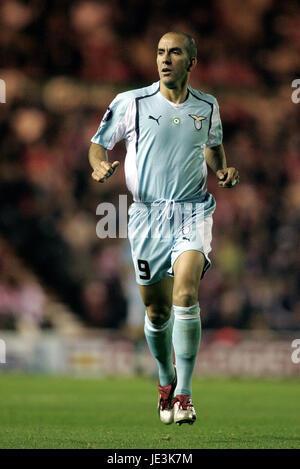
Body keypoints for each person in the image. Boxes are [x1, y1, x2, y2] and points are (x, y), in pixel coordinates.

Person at [88, 31, 239, 426]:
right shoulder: (131, 101)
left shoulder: (207, 105)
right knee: (156, 311)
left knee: (185, 294)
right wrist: (98, 164)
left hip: (193, 211)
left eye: (174, 52)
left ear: (192, 61)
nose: (165, 58)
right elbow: (98, 143)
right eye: (160, 52)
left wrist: (221, 169)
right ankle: (165, 380)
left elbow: (212, 145)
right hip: (146, 217)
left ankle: (185, 395)